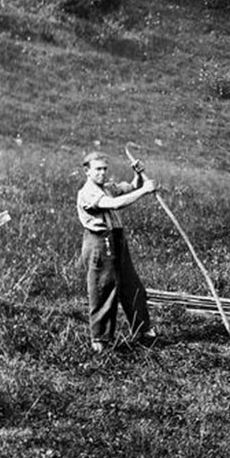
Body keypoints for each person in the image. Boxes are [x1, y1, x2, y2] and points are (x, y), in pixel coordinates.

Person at [77, 151, 159, 353]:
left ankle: (142, 330)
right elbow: (114, 204)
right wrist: (145, 191)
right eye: (97, 169)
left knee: (132, 285)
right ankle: (101, 340)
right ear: (87, 171)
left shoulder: (107, 188)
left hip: (117, 240)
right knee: (103, 289)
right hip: (99, 242)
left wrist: (138, 175)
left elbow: (130, 187)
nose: (102, 173)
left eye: (105, 169)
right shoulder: (87, 192)